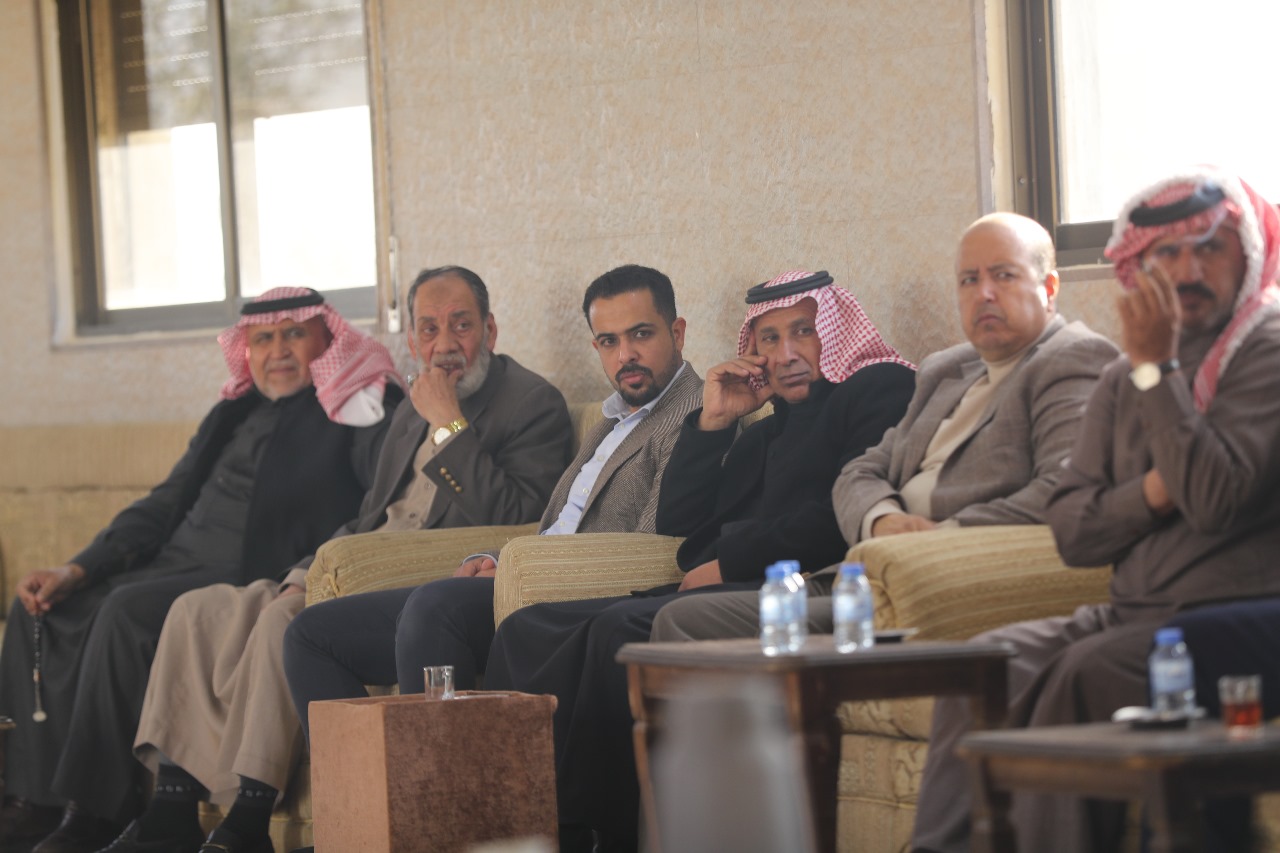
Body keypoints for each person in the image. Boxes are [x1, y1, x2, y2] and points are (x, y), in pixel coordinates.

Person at [97, 266, 573, 853]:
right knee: (197, 610)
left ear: (491, 331)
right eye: (429, 329)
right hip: (362, 558)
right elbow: (370, 514)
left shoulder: (531, 403)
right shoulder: (412, 407)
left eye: (461, 325)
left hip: (432, 572)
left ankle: (250, 815)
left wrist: (449, 424)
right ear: (412, 339)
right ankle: (173, 805)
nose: (445, 344)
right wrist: (306, 571)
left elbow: (522, 518)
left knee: (284, 620)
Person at [484, 269, 918, 850]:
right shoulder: (764, 433)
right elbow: (682, 527)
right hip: (724, 582)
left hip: (803, 583)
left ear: (837, 333)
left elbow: (842, 513)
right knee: (527, 627)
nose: (786, 354)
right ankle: (518, 821)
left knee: (617, 631)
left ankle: (607, 834)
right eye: (769, 339)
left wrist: (729, 561)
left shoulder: (876, 389)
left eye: (804, 331)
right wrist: (713, 424)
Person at [912, 168, 1280, 853]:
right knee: (984, 667)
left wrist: (1158, 372)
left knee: (1085, 672)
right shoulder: (1122, 375)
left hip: (1233, 614)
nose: (1188, 270)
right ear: (1141, 266)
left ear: (1249, 256)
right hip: (1132, 610)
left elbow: (1212, 498)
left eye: (1209, 248)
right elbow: (1074, 531)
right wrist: (1154, 492)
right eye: (1168, 253)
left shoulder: (1265, 350)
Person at [0, 288, 402, 853]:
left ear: (327, 338)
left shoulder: (356, 409)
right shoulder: (231, 411)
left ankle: (93, 813)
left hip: (247, 572)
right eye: (263, 339)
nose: (278, 350)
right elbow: (164, 502)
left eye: (294, 334)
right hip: (171, 563)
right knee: (39, 608)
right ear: (245, 350)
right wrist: (77, 568)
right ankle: (31, 801)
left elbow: (377, 506)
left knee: (123, 613)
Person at [282, 264, 704, 742]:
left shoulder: (694, 415)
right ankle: (373, 784)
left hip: (565, 591)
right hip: (522, 576)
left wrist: (518, 567)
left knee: (435, 605)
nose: (625, 355)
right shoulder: (613, 418)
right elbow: (552, 527)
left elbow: (651, 545)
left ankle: (441, 783)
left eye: (641, 334)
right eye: (609, 341)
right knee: (310, 634)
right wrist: (496, 560)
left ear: (677, 333)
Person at [651, 213, 1116, 642]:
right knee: (626, 621)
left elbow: (1061, 491)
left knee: (667, 620)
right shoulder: (947, 370)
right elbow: (863, 474)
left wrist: (940, 534)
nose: (985, 294)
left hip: (926, 571)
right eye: (970, 280)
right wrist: (882, 519)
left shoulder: (1070, 358)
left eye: (1004, 276)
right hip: (869, 568)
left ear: (1049, 287)